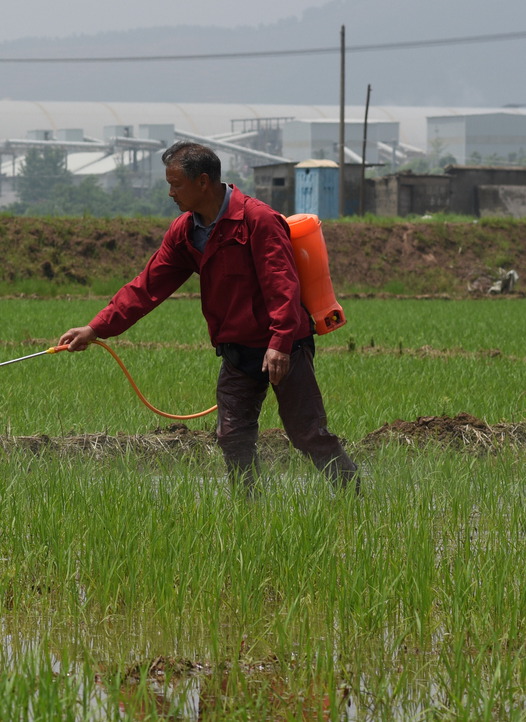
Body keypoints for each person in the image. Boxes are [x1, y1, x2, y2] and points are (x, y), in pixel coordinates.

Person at [58, 141, 358, 489]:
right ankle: (251, 512)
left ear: (203, 182)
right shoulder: (186, 233)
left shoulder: (257, 220)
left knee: (307, 434)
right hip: (236, 352)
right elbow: (146, 287)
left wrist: (280, 342)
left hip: (283, 347)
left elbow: (283, 287)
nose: (170, 193)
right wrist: (95, 329)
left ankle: (356, 497)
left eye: (176, 184)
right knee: (232, 437)